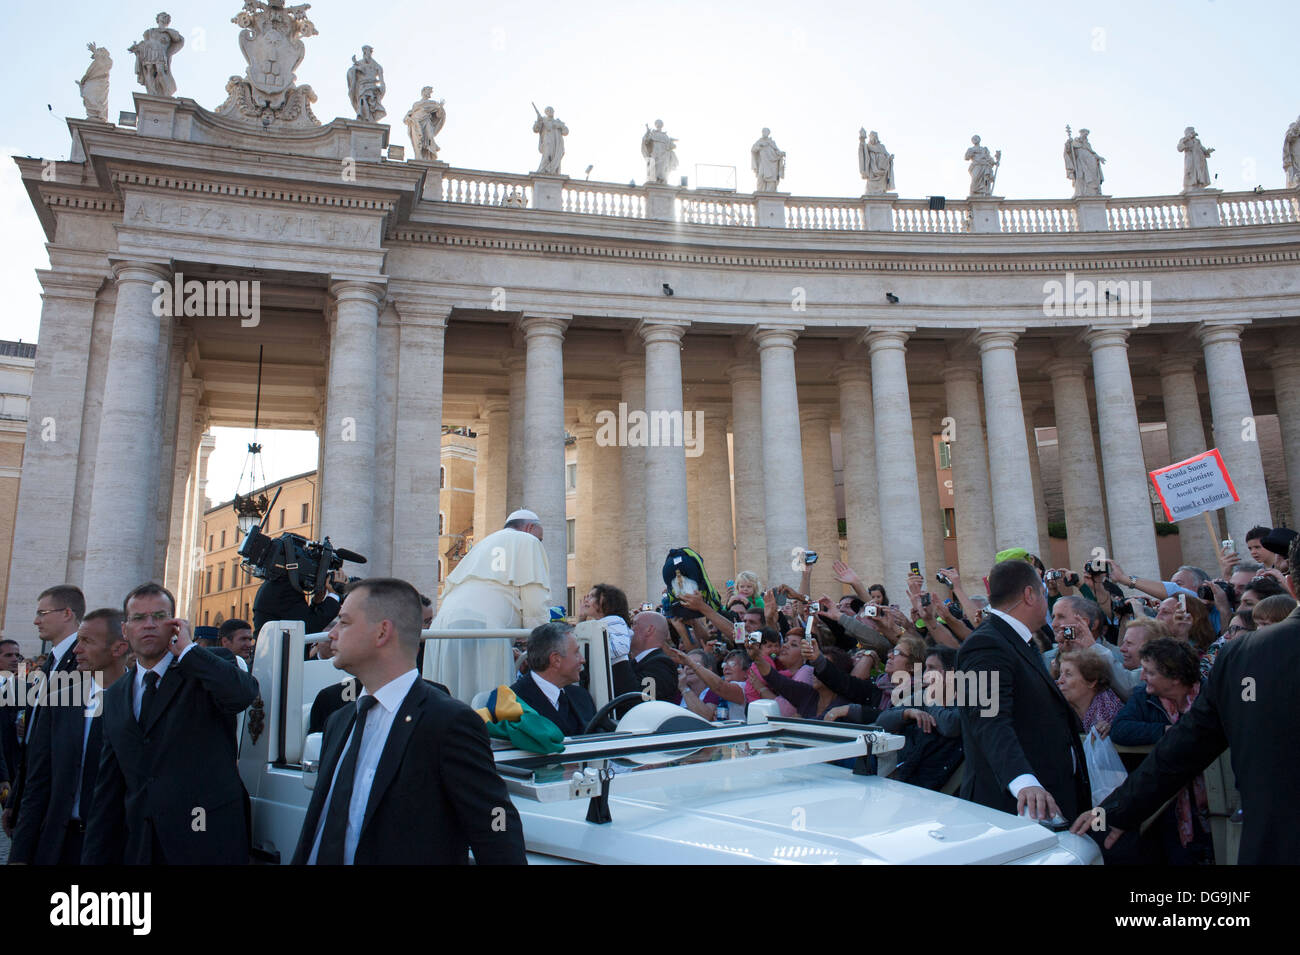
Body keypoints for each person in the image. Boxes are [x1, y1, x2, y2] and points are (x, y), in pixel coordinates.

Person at [1074, 536, 1300, 864]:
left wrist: (1116, 812)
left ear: (1290, 586)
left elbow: (1186, 747)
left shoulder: (1244, 656)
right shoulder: (1244, 657)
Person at [291, 578, 522, 864]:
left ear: (382, 632)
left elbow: (496, 828)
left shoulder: (448, 723)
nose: (332, 634)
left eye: (345, 622)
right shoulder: (339, 720)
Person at [82, 583, 258, 864]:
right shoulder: (115, 695)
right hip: (143, 847)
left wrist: (188, 650)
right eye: (139, 618)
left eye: (159, 616)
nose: (149, 625)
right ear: (125, 630)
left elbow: (242, 694)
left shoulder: (206, 666)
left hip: (207, 843)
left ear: (176, 625)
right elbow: (109, 790)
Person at [956, 558, 1089, 823]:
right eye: (1042, 592)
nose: (1045, 602)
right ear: (1029, 595)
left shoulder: (1017, 640)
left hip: (1047, 797)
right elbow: (987, 717)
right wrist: (1023, 782)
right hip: (1013, 808)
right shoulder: (985, 645)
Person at [9, 609, 128, 865]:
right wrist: (19, 854)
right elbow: (38, 782)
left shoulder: (141, 702)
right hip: (60, 847)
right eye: (78, 641)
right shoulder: (60, 702)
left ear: (118, 648)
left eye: (87, 642)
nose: (76, 650)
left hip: (119, 848)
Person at [1095, 637, 1214, 863]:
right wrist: (1166, 731)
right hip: (1165, 809)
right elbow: (1120, 729)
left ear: (1175, 677)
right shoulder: (1143, 696)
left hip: (1213, 804)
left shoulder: (1209, 697)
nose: (1141, 677)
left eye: (1149, 672)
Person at [429, 509, 551, 703]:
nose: (540, 543)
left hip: (442, 630)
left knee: (448, 699)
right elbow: (535, 599)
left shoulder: (482, 544)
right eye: (541, 538)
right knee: (488, 703)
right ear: (529, 528)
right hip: (485, 628)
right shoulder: (528, 541)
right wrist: (541, 642)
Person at [3, 585, 85, 839]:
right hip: (33, 790)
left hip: (55, 799)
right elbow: (32, 739)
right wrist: (15, 801)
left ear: (67, 614)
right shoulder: (50, 661)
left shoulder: (81, 663)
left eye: (43, 613)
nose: (36, 620)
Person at [508, 622, 595, 737]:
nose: (582, 659)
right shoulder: (513, 704)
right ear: (556, 660)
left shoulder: (581, 697)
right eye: (576, 653)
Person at [1044, 595, 1131, 701]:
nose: (1053, 624)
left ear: (1084, 622)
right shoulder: (1048, 658)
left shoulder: (1119, 657)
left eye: (1061, 617)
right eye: (1053, 617)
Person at [1054, 650, 1122, 736]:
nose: (1060, 681)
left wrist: (1110, 729)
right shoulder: (1056, 709)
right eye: (1060, 673)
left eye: (1068, 674)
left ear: (1091, 681)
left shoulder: (1112, 718)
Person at [128, 11, 184, 97]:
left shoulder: (170, 32)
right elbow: (146, 42)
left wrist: (165, 30)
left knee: (160, 71)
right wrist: (137, 47)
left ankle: (167, 92)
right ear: (158, 19)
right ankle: (152, 93)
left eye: (166, 17)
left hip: (160, 52)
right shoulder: (150, 31)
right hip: (149, 51)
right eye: (162, 16)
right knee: (149, 71)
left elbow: (177, 39)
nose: (164, 17)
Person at [404, 87, 447, 160]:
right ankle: (419, 157)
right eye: (428, 91)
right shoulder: (416, 104)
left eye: (430, 92)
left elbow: (439, 115)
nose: (429, 93)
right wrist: (408, 118)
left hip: (427, 122)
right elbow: (410, 113)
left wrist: (441, 107)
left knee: (429, 137)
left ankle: (428, 157)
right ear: (423, 92)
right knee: (418, 140)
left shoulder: (433, 103)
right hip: (416, 122)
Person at [346, 46, 386, 123]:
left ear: (370, 52)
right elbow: (350, 72)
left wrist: (382, 86)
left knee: (369, 101)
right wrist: (356, 69)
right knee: (362, 99)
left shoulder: (376, 65)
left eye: (368, 51)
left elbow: (381, 76)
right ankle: (363, 116)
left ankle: (367, 118)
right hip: (362, 86)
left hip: (372, 86)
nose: (366, 53)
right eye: (364, 52)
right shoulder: (359, 63)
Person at [1064, 127, 1105, 197]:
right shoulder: (1074, 142)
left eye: (1086, 135)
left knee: (1093, 178)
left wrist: (1099, 158)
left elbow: (1092, 152)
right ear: (1081, 134)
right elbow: (1068, 151)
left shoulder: (1087, 144)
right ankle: (1082, 192)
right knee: (1081, 176)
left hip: (1091, 163)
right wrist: (1068, 143)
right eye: (1084, 134)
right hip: (1081, 163)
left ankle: (1093, 192)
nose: (1085, 136)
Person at [858, 129, 895, 194]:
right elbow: (862, 152)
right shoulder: (867, 147)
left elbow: (887, 156)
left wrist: (890, 159)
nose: (874, 138)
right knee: (870, 188)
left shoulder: (882, 147)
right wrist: (862, 140)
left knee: (882, 188)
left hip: (882, 172)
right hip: (872, 172)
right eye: (872, 137)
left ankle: (882, 191)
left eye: (875, 137)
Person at [533, 106, 568, 174]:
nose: (550, 112)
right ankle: (542, 171)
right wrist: (538, 121)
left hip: (557, 144)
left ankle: (552, 171)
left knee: (556, 157)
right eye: (548, 110)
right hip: (547, 141)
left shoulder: (558, 122)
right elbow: (536, 129)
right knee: (547, 156)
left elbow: (566, 132)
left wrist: (560, 126)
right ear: (546, 112)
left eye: (552, 110)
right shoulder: (543, 120)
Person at [642, 119, 678, 184]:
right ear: (655, 125)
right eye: (658, 123)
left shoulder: (665, 135)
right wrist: (647, 133)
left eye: (661, 123)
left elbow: (671, 146)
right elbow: (646, 141)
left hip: (664, 154)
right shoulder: (652, 133)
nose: (659, 124)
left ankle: (661, 180)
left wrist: (671, 141)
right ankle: (654, 180)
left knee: (662, 167)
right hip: (655, 152)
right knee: (654, 166)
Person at [751, 128, 786, 192]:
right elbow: (753, 150)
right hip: (763, 162)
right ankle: (761, 191)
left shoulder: (772, 142)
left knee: (772, 179)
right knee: (761, 176)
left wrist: (781, 153)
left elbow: (777, 151)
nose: (764, 133)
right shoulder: (759, 141)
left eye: (766, 132)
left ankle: (770, 192)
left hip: (772, 162)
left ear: (768, 133)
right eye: (763, 132)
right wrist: (760, 146)